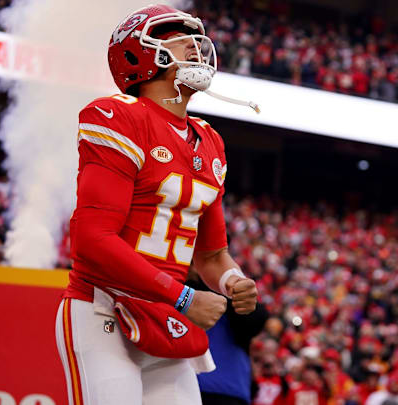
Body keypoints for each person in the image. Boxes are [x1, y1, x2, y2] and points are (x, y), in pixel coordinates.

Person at [54, 5, 258, 405]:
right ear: (137, 54)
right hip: (104, 314)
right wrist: (184, 297)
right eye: (178, 38)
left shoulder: (209, 140)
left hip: (166, 321)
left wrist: (233, 282)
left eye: (195, 38)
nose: (196, 47)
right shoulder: (117, 116)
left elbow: (212, 256)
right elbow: (92, 240)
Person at [188, 271, 270, 405]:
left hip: (227, 389)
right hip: (195, 385)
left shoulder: (229, 295)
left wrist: (213, 281)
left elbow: (257, 317)